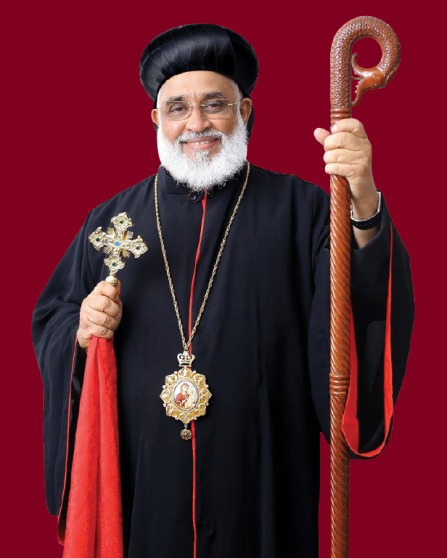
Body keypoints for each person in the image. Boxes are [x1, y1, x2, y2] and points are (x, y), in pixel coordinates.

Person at [32, 23, 414, 558]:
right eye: (177, 108)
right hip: (146, 490)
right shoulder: (112, 221)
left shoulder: (305, 211)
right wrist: (81, 331)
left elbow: (359, 304)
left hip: (262, 487)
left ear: (245, 112)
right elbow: (53, 320)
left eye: (214, 104)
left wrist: (364, 201)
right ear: (156, 120)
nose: (196, 124)